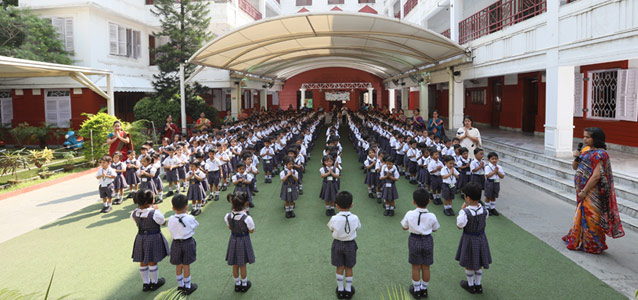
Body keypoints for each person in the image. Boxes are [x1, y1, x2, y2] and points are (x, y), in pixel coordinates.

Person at [563, 127, 624, 254]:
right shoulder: (585, 151)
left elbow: (596, 176)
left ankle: (593, 244)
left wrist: (585, 191)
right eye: (584, 136)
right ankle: (580, 239)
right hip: (581, 189)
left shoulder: (601, 154)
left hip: (592, 191)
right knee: (582, 213)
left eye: (587, 137)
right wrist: (576, 157)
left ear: (596, 139)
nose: (584, 139)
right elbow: (575, 167)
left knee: (592, 217)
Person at [401, 188, 440, 299]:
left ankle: (416, 290)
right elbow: (435, 229)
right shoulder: (432, 216)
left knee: (415, 267)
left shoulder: (409, 214)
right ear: (429, 201)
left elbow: (404, 227)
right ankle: (424, 289)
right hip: (427, 240)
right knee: (426, 267)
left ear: (414, 202)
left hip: (414, 240)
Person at [456, 182, 492, 294]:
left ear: (467, 198)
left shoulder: (465, 212)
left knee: (469, 262)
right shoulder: (485, 210)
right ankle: (478, 284)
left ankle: (471, 285)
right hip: (481, 238)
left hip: (469, 239)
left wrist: (461, 210)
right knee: (479, 261)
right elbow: (483, 219)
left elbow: (459, 226)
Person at [131, 190, 169, 292]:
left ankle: (146, 283)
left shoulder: (134, 213)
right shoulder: (155, 213)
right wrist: (157, 210)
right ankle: (154, 283)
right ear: (150, 201)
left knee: (142, 261)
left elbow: (137, 223)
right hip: (153, 238)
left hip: (140, 238)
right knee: (152, 261)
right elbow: (163, 223)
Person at [328, 191, 361, 300]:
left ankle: (340, 289)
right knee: (349, 267)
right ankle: (348, 290)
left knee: (339, 266)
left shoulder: (334, 218)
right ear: (352, 205)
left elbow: (331, 229)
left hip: (337, 244)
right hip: (350, 244)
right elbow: (357, 228)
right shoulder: (355, 218)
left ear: (336, 205)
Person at [167, 194, 199, 295]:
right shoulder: (190, 217)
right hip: (188, 242)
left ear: (173, 207)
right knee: (186, 265)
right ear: (186, 206)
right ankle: (188, 286)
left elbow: (170, 229)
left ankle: (180, 285)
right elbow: (195, 226)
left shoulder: (171, 218)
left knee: (178, 264)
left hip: (176, 243)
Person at [225, 192, 255, 293]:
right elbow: (251, 230)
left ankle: (237, 284)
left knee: (235, 264)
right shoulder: (247, 218)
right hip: (243, 240)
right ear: (245, 204)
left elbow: (230, 227)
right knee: (242, 264)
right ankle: (244, 284)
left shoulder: (228, 216)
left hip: (233, 239)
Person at [484, 152, 505, 216]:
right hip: (490, 182)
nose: (494, 160)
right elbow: (487, 176)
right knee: (488, 195)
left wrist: (497, 171)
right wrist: (494, 171)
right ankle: (487, 208)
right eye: (492, 159)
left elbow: (502, 176)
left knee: (494, 195)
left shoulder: (499, 167)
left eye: (496, 159)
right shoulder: (487, 167)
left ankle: (493, 208)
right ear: (489, 159)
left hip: (496, 182)